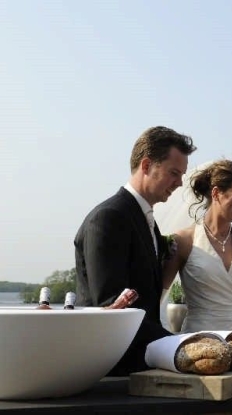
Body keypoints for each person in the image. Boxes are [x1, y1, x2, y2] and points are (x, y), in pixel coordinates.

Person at [74, 126, 197, 376]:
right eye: (174, 173)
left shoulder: (145, 220)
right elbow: (112, 307)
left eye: (182, 174)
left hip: (139, 363)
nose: (179, 183)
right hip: (111, 367)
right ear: (147, 165)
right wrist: (181, 345)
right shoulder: (109, 218)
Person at [162, 160, 232, 347]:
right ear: (217, 193)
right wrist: (164, 344)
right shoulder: (183, 240)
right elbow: (160, 298)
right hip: (198, 346)